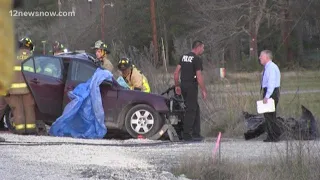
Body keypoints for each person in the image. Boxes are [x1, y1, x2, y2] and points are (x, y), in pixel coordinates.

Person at [173, 40, 207, 141]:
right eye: (203, 48)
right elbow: (199, 76)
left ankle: (196, 133)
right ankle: (187, 134)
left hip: (183, 85)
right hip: (192, 86)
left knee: (195, 107)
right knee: (191, 109)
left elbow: (176, 73)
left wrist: (177, 85)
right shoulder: (196, 59)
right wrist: (203, 90)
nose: (203, 50)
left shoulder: (183, 57)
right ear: (198, 47)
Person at [4, 37, 37, 135]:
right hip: (28, 89)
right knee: (29, 109)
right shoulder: (31, 57)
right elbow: (37, 72)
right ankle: (30, 130)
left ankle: (20, 131)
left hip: (13, 90)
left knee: (17, 110)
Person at [259, 50, 281, 142]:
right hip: (270, 91)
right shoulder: (268, 67)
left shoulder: (271, 67)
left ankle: (275, 135)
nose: (259, 58)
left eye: (261, 56)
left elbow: (271, 83)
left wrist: (267, 96)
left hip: (271, 92)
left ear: (267, 57)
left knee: (269, 115)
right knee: (269, 115)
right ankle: (272, 136)